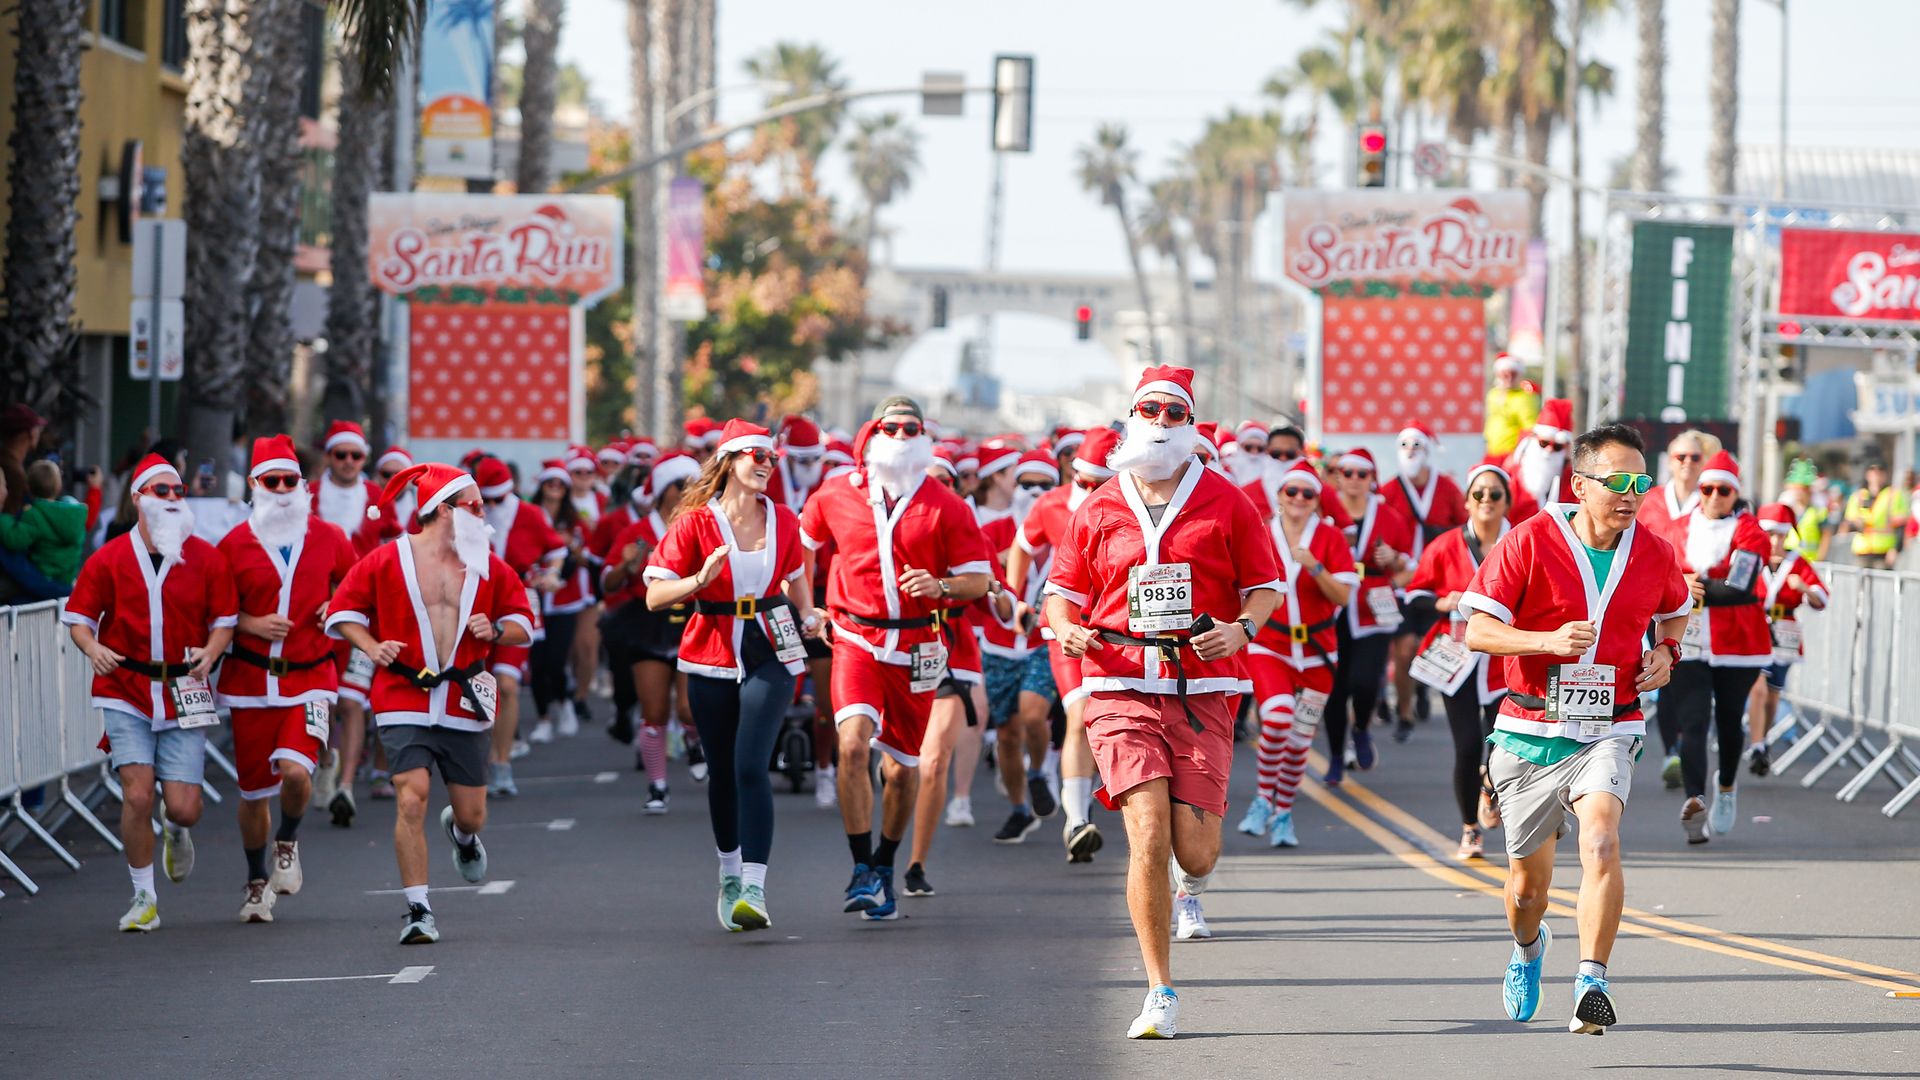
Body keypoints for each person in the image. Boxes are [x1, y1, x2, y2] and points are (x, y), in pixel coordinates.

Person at [1044, 365, 1281, 1039]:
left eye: (1174, 413)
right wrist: (1066, 628)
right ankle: (1159, 991)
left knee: (1195, 851)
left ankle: (1194, 883)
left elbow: (1264, 588)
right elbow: (1061, 593)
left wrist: (1244, 628)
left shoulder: (1228, 501)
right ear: (1132, 417)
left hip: (1202, 685)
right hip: (1118, 682)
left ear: (1190, 424)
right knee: (1145, 832)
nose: (1160, 422)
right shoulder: (1099, 505)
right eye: (1150, 410)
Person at [1461, 422, 1691, 1036]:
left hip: (1610, 723)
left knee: (1601, 841)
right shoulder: (1528, 540)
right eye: (1616, 481)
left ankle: (1592, 980)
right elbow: (1477, 631)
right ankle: (1529, 950)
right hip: (1528, 727)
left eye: (1641, 481)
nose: (1631, 494)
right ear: (1579, 484)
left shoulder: (1655, 550)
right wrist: (1545, 640)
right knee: (1525, 894)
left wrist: (1667, 655)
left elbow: (1676, 613)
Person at [799, 398, 992, 922]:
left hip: (918, 647)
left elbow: (979, 578)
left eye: (913, 427)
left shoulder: (945, 504)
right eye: (893, 426)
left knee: (902, 772)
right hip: (856, 638)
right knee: (853, 744)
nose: (903, 433)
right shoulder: (836, 493)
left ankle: (885, 864)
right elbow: (801, 546)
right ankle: (862, 867)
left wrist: (941, 585)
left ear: (924, 438)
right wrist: (806, 606)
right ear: (874, 434)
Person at [325, 463, 534, 944]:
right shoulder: (386, 559)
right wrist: (371, 646)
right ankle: (418, 909)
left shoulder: (486, 562)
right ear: (443, 510)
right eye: (475, 505)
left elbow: (525, 621)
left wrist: (498, 630)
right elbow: (342, 612)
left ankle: (461, 835)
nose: (485, 513)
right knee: (411, 796)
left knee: (472, 815)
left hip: (464, 698)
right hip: (403, 695)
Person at [645, 420, 817, 931]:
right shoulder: (695, 523)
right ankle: (728, 872)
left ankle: (755, 888)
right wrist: (699, 580)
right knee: (722, 773)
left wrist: (809, 613)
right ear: (730, 461)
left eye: (771, 458)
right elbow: (655, 594)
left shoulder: (785, 518)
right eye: (755, 457)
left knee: (750, 766)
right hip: (712, 647)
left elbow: (796, 574)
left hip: (772, 645)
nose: (766, 465)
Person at [62, 454, 238, 931]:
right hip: (125, 686)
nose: (173, 499)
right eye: (162, 491)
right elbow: (78, 619)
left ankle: (176, 827)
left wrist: (212, 651)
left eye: (178, 492)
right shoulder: (110, 556)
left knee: (184, 806)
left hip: (185, 685)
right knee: (137, 796)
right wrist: (92, 647)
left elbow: (225, 620)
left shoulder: (205, 556)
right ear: (139, 497)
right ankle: (144, 897)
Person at [213, 436, 357, 922]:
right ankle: (256, 884)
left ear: (302, 484)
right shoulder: (232, 546)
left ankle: (288, 841)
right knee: (254, 794)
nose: (280, 489)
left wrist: (336, 605)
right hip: (251, 684)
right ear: (254, 484)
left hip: (312, 676)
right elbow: (212, 612)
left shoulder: (330, 536)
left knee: (296, 772)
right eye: (270, 481)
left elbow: (358, 588)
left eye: (288, 480)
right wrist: (249, 623)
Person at [1009, 426, 1120, 863]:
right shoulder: (1053, 504)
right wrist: (1018, 597)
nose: (1089, 490)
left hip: (1122, 636)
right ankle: (1076, 820)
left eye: (1099, 483)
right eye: (1083, 481)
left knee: (1106, 728)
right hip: (1067, 632)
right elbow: (1021, 546)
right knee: (1079, 716)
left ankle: (1089, 800)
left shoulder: (1140, 505)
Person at [1238, 458, 1356, 848]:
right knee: (1277, 718)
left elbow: (1343, 596)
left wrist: (1316, 567)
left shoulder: (1331, 538)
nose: (1299, 499)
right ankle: (1261, 799)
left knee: (1301, 738)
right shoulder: (1261, 533)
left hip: (1319, 651)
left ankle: (1283, 813)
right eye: (1292, 492)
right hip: (1270, 645)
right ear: (1279, 496)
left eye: (1308, 493)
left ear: (1317, 500)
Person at [1404, 464, 1512, 858]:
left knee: (1505, 748)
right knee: (1468, 746)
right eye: (1479, 494)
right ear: (1466, 501)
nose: (1486, 501)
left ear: (1506, 502)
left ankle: (1490, 787)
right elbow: (1413, 595)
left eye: (1495, 494)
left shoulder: (1520, 542)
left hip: (1507, 661)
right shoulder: (1447, 545)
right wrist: (1440, 601)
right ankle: (1470, 827)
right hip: (1457, 661)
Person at [1668, 451, 1771, 844]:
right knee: (1692, 721)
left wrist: (1695, 585)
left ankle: (1725, 788)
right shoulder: (1676, 529)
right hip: (1687, 640)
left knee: (1729, 722)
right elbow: (1660, 575)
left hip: (1738, 644)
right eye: (1706, 488)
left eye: (1722, 490)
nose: (1713, 496)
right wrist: (1681, 585)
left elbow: (1740, 587)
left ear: (1734, 494)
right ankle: (1694, 801)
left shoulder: (1751, 533)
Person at [604, 452, 703, 811]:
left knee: (690, 709)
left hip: (693, 621)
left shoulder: (703, 524)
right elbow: (609, 583)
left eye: (694, 485)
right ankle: (657, 786)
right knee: (655, 710)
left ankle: (694, 741)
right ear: (663, 490)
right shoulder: (638, 533)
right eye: (681, 485)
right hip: (648, 625)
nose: (688, 492)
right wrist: (626, 565)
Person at [313, 421, 397, 827]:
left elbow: (396, 547)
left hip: (364, 617)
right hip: (314, 616)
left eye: (356, 456)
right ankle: (327, 758)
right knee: (324, 703)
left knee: (351, 701)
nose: (348, 463)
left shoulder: (378, 497)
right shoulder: (307, 494)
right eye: (340, 455)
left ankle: (346, 785)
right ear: (329, 456)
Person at [475, 457, 567, 795]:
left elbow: (556, 549)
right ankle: (478, 762)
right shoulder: (468, 513)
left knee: (507, 684)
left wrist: (552, 573)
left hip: (517, 602)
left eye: (500, 498)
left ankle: (502, 764)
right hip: (476, 605)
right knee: (478, 686)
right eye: (489, 500)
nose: (493, 506)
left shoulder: (529, 514)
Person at [1633, 428, 1719, 786]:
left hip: (1699, 606)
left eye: (1694, 457)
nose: (1686, 464)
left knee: (1686, 676)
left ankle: (1685, 746)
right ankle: (1672, 750)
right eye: (1680, 457)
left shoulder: (1712, 498)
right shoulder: (1650, 500)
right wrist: (1671, 580)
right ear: (1668, 461)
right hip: (1652, 598)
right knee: (1664, 676)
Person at [1325, 447, 1414, 782]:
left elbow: (1408, 564)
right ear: (1337, 477)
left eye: (1361, 474)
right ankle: (1335, 755)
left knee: (1364, 681)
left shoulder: (1388, 516)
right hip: (1331, 610)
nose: (1354, 480)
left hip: (1373, 610)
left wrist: (1393, 558)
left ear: (1372, 479)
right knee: (1334, 687)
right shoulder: (1324, 515)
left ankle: (1361, 727)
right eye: (1346, 472)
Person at [1383, 422, 1467, 741]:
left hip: (1439, 583)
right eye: (1405, 446)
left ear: (1428, 450)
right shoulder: (1389, 490)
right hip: (1403, 581)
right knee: (1403, 649)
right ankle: (1404, 711)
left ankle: (1421, 688)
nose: (1411, 453)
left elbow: (1464, 528)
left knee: (1427, 646)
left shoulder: (1446, 488)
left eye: (1417, 446)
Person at [1745, 503, 1827, 776]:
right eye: (1770, 534)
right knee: (1757, 687)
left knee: (1772, 694)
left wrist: (1803, 588)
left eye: (1781, 535)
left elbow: (1822, 598)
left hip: (1785, 633)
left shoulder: (1797, 563)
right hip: (1754, 628)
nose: (1775, 541)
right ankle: (1756, 745)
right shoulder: (1751, 558)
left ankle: (1763, 739)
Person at [0, 460, 89, 597]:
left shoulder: (34, 515)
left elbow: (15, 539)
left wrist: (4, 519)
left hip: (45, 577)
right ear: (58, 486)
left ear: (28, 488)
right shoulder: (73, 514)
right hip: (67, 579)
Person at [1505, 398, 1575, 508]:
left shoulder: (1572, 485)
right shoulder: (1509, 477)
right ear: (1533, 439)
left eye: (1557, 447)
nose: (1549, 450)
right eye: (1544, 443)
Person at [1839, 459, 1908, 569]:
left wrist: (1895, 549)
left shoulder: (1893, 495)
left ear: (1885, 474)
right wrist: (1856, 524)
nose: (1876, 475)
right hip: (1862, 550)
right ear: (1867, 474)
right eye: (1873, 471)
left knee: (1883, 584)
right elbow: (1848, 522)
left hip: (1883, 551)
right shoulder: (1858, 496)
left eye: (1880, 472)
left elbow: (1900, 526)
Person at [1482, 353, 1540, 464]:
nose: (1508, 378)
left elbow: (1530, 430)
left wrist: (1516, 455)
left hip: (1510, 457)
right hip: (1492, 453)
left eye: (1513, 374)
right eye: (1504, 374)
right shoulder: (1493, 394)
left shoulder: (1525, 398)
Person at [1776, 458, 1831, 562]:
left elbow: (1826, 536)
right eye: (1795, 488)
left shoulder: (1818, 511)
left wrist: (1820, 559)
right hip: (1789, 562)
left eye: (1801, 489)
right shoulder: (1786, 510)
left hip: (1810, 562)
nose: (1797, 492)